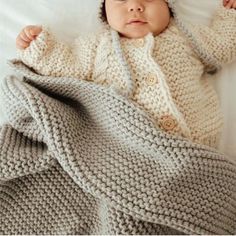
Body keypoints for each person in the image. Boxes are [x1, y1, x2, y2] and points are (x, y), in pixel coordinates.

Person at [15, 0, 236, 149]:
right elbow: (67, 68)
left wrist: (230, 16)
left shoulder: (188, 38)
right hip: (127, 148)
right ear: (105, 11)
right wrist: (40, 47)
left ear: (169, 7)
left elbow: (223, 48)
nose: (135, 6)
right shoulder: (97, 47)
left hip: (198, 145)